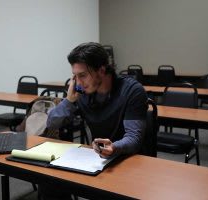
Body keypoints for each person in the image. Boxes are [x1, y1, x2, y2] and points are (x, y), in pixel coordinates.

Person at [40, 42, 148, 200]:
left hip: (128, 159)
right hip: (98, 158)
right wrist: (69, 101)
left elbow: (134, 137)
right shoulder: (81, 91)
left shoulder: (132, 90)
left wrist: (114, 147)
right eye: (74, 76)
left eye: (82, 75)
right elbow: (52, 123)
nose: (78, 82)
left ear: (101, 70)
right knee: (48, 182)